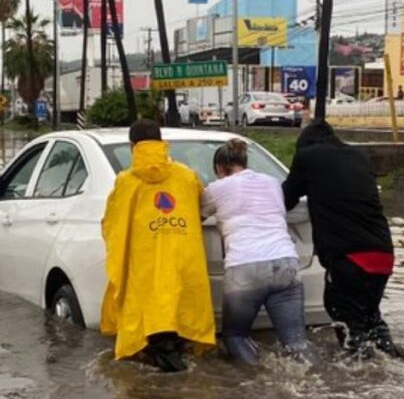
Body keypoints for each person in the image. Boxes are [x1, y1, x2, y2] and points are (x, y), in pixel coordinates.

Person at [101, 119, 216, 371]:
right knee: (180, 336)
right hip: (183, 269)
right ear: (162, 143)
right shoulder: (187, 176)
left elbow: (112, 224)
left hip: (145, 273)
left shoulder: (126, 181)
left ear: (133, 146)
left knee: (149, 340)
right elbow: (202, 206)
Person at [282, 121, 400, 359]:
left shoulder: (308, 157)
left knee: (344, 315)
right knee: (370, 316)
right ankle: (391, 358)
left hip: (349, 258)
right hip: (383, 256)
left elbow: (285, 198)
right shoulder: (359, 156)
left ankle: (357, 371)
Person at [201, 139, 306, 364]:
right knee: (296, 344)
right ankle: (309, 382)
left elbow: (192, 214)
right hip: (286, 263)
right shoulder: (273, 183)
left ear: (219, 168)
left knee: (236, 336)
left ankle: (255, 381)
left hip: (245, 266)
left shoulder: (216, 189)